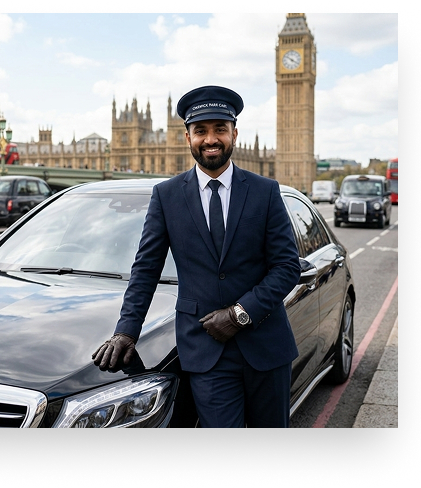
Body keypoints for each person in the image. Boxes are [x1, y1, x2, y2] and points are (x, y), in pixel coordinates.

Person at [92, 86, 301, 428]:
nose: (210, 139)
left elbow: (286, 267)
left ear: (234, 133)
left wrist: (239, 314)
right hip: (205, 352)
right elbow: (145, 268)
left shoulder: (265, 191)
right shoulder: (167, 195)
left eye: (220, 129)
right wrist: (126, 331)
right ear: (187, 137)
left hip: (266, 346)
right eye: (201, 131)